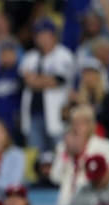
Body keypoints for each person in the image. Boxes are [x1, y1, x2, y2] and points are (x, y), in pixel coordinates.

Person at [50, 106, 109, 205]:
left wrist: (80, 153)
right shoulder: (63, 147)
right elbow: (55, 178)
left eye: (81, 123)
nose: (77, 127)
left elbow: (102, 177)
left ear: (90, 125)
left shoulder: (104, 146)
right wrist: (67, 155)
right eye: (74, 123)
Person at [18, 19, 75, 152]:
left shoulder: (64, 55)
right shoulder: (29, 57)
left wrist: (34, 79)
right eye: (39, 34)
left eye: (45, 34)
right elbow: (23, 81)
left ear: (53, 36)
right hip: (33, 116)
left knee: (60, 155)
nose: (42, 38)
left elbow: (57, 81)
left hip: (57, 117)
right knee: (35, 158)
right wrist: (44, 80)